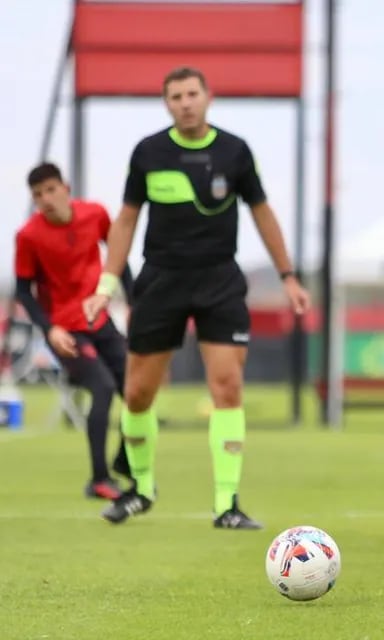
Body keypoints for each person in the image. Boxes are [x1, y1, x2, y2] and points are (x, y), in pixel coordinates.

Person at [82, 66, 310, 528]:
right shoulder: (148, 153)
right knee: (138, 393)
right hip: (161, 280)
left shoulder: (235, 151)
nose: (184, 102)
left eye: (191, 94)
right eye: (175, 96)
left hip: (219, 281)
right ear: (166, 103)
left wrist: (288, 276)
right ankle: (141, 488)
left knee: (227, 388)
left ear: (208, 97)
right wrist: (106, 285)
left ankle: (226, 503)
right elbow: (124, 221)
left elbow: (262, 213)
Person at [14, 162, 132, 500]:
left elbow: (118, 257)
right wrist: (49, 330)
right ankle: (99, 478)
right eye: (38, 195)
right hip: (67, 332)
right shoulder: (29, 236)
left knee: (138, 392)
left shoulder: (94, 214)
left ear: (65, 188)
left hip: (100, 321)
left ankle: (124, 461)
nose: (45, 199)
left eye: (50, 190)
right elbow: (24, 291)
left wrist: (136, 303)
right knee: (104, 388)